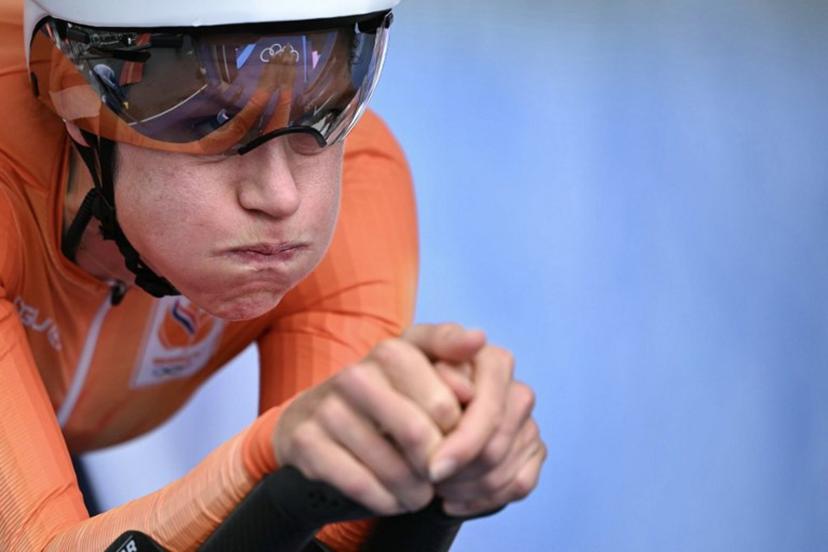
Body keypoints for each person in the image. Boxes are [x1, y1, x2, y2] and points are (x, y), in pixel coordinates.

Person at [0, 0, 547, 549]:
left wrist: (438, 464)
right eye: (209, 121)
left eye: (324, 112)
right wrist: (267, 457)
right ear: (75, 97)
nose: (281, 197)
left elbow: (335, 534)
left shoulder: (360, 185)